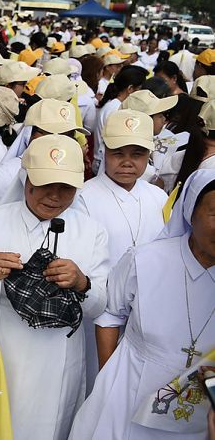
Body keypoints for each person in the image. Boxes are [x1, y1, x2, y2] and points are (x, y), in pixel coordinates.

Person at [0, 134, 110, 440]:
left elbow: (98, 307)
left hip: (56, 361)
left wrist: (81, 282)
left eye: (66, 188)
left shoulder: (92, 232)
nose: (55, 196)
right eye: (45, 185)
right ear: (25, 179)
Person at [69, 169, 215, 440]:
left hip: (199, 406)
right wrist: (110, 380)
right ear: (191, 212)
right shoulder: (145, 259)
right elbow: (110, 314)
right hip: (129, 388)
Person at [74, 109, 167, 390]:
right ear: (104, 151)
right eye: (118, 153)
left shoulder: (157, 197)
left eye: (136, 154)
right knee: (96, 383)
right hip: (96, 311)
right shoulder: (84, 196)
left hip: (147, 310)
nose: (127, 162)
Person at [94, 65, 148, 174]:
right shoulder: (117, 109)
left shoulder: (113, 103)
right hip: (105, 164)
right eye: (140, 90)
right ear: (130, 89)